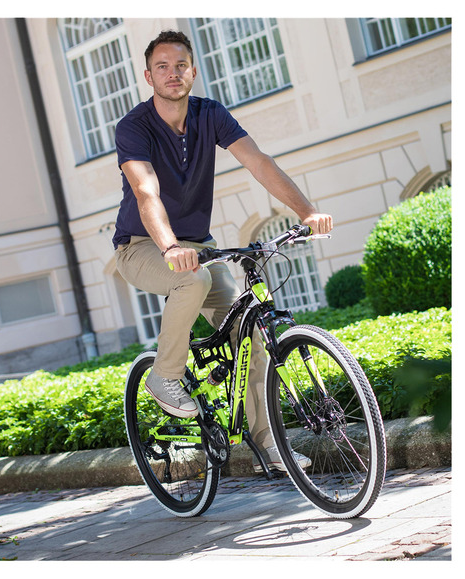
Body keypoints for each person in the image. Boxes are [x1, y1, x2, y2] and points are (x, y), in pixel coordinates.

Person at [113, 30, 333, 472]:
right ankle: (164, 374)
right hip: (142, 246)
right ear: (148, 76)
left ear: (193, 71)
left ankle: (268, 444)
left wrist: (307, 211)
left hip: (200, 247)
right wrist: (170, 245)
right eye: (162, 67)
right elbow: (144, 190)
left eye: (180, 66)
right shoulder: (134, 127)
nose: (173, 74)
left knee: (248, 334)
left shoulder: (209, 114)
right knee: (190, 279)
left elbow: (259, 162)